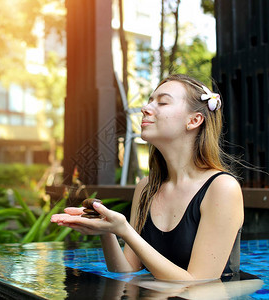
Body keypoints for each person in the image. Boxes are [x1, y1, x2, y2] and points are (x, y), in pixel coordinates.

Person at [51, 74, 244, 282]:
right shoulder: (146, 187)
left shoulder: (222, 188)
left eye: (162, 102)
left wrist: (125, 230)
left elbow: (197, 283)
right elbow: (125, 270)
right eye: (150, 101)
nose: (146, 108)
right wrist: (107, 229)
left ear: (194, 120)